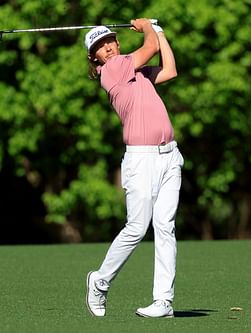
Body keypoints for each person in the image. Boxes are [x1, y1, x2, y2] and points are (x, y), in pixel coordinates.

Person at [84, 18, 184, 318]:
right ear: (95, 58)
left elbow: (170, 70)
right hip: (141, 160)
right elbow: (150, 47)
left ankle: (163, 302)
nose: (108, 47)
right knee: (137, 228)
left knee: (166, 228)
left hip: (169, 156)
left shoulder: (135, 71)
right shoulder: (114, 69)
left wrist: (160, 32)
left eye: (110, 40)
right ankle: (100, 281)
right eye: (100, 46)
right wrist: (147, 28)